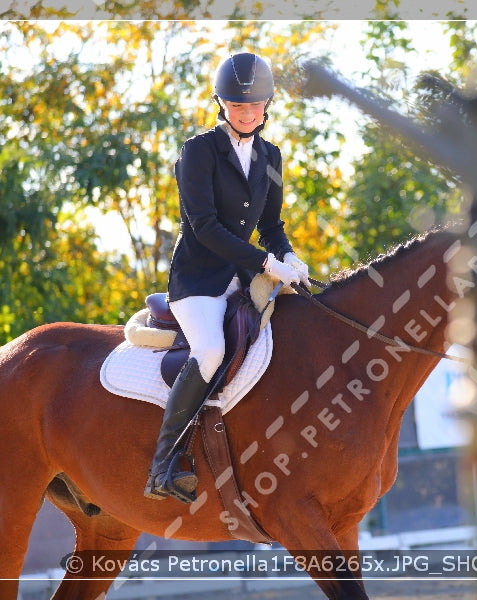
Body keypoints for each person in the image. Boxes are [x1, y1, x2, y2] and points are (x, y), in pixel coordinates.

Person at [144, 51, 310, 503]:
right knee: (212, 348)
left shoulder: (271, 155)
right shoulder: (197, 151)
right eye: (239, 106)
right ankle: (161, 466)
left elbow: (272, 226)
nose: (249, 114)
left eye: (256, 105)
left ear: (268, 105)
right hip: (198, 279)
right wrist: (265, 264)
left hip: (244, 273)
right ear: (222, 105)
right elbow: (204, 226)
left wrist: (290, 257)